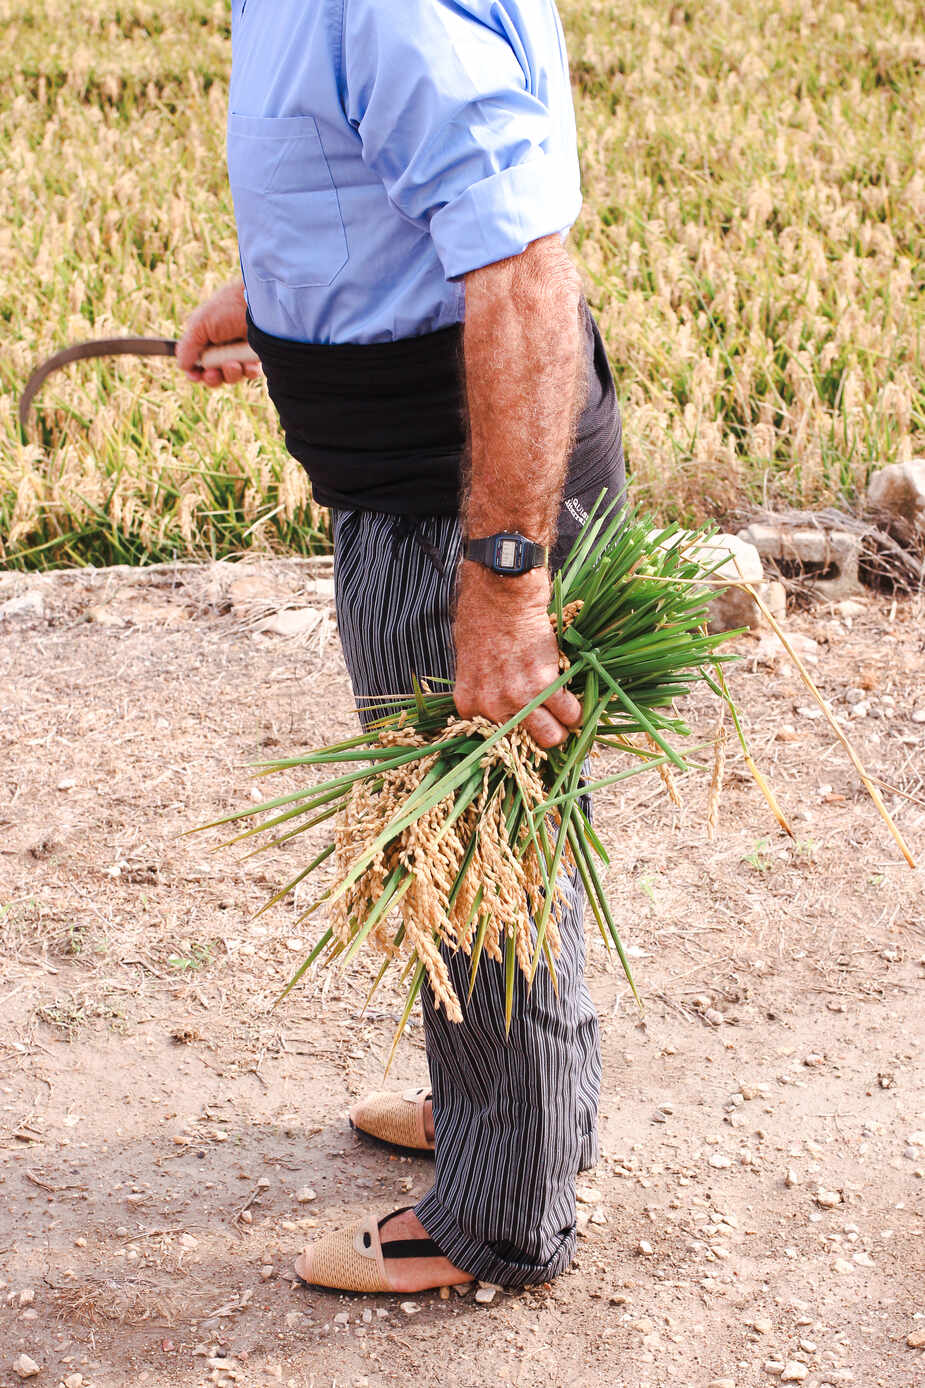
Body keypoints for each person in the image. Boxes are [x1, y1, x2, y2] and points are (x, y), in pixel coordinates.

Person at [177, 0, 625, 1296]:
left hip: (461, 507)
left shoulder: (378, 7)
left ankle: (498, 1213)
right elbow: (385, 182)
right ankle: (524, 1115)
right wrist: (283, 292)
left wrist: (498, 585)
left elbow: (524, 276)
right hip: (439, 483)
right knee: (509, 837)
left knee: (483, 858)